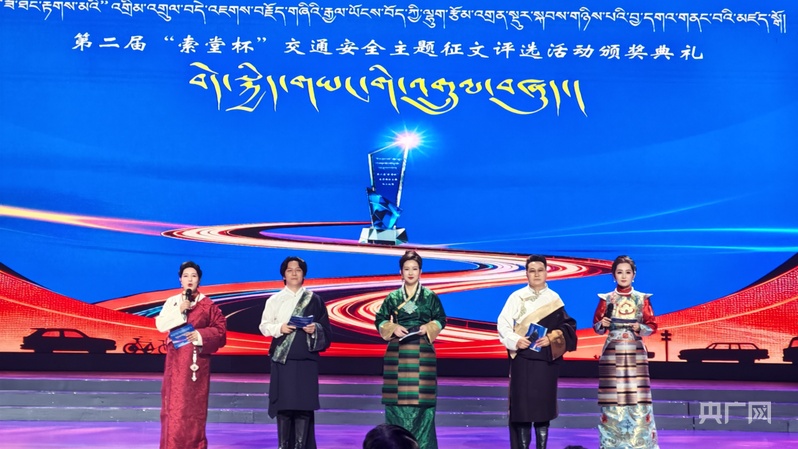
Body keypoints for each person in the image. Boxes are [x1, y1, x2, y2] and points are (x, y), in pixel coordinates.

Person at [497, 255, 578, 449]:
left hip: (545, 363)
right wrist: (516, 340)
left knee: (543, 410)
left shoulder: (554, 299)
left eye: (540, 270)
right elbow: (503, 324)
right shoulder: (516, 297)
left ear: (546, 272)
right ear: (526, 273)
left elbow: (569, 328)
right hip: (523, 360)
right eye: (532, 271)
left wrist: (551, 338)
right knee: (522, 411)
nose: (536, 274)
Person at [374, 250, 447, 449]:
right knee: (396, 406)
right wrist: (393, 328)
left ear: (420, 272)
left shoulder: (430, 296)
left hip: (422, 354)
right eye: (407, 269)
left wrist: (428, 327)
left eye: (414, 269)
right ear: (401, 272)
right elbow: (380, 319)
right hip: (398, 354)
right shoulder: (393, 297)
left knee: (423, 407)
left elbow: (441, 319)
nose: (411, 272)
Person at [260, 256, 332, 449]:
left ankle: (301, 445)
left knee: (304, 407)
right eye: (289, 270)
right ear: (283, 275)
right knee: (284, 407)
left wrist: (315, 329)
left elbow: (327, 330)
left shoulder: (315, 300)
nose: (294, 273)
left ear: (303, 274)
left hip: (307, 362)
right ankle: (283, 445)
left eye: (298, 270)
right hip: (283, 362)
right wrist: (280, 328)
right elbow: (264, 326)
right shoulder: (274, 300)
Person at [155, 261, 227, 449]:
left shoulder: (208, 305)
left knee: (194, 409)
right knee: (173, 408)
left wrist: (200, 335)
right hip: (175, 362)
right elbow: (161, 325)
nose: (189, 279)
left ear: (199, 280)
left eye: (193, 276)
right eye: (186, 276)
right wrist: (179, 311)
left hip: (196, 364)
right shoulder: (173, 302)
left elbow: (221, 332)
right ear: (180, 280)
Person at [592, 255, 659, 449]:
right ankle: (612, 443)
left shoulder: (642, 299)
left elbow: (652, 326)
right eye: (619, 272)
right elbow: (597, 327)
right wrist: (602, 323)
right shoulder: (606, 299)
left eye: (627, 272)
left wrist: (640, 327)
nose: (623, 276)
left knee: (638, 397)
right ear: (613, 275)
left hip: (635, 351)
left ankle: (640, 442)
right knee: (613, 398)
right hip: (612, 352)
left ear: (634, 275)